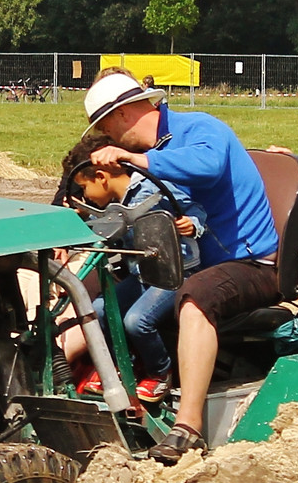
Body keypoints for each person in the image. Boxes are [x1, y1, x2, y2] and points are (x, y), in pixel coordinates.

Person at [79, 71, 281, 464]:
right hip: (190, 262)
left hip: (247, 262)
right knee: (108, 301)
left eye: (106, 128)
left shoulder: (201, 129)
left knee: (195, 296)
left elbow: (205, 167)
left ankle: (188, 428)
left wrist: (137, 159)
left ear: (122, 115)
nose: (110, 139)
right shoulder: (156, 150)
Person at [59, 134, 208, 402]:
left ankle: (160, 373)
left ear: (102, 178)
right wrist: (82, 215)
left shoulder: (152, 191)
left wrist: (192, 224)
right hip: (142, 273)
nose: (84, 196)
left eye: (84, 189)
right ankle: (119, 367)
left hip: (175, 274)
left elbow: (194, 208)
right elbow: (109, 226)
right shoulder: (115, 203)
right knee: (99, 311)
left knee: (137, 321)